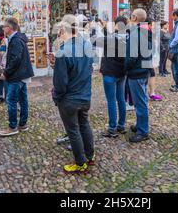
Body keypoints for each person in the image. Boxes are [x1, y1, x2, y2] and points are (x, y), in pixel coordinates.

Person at [52, 14, 95, 174]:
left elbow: (60, 82)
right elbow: (89, 69)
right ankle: (90, 156)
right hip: (85, 95)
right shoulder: (86, 45)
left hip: (70, 98)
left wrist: (57, 97)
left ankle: (80, 162)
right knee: (84, 124)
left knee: (73, 130)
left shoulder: (63, 51)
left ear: (64, 29)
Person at [0, 18, 34, 137]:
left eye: (4, 26)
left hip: (17, 75)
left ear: (10, 28)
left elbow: (15, 59)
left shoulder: (16, 40)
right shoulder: (16, 38)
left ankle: (13, 127)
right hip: (21, 74)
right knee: (23, 100)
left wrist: (6, 72)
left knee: (12, 100)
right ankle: (22, 124)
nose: (3, 28)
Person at [96, 16, 128, 138]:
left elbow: (96, 41)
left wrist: (92, 29)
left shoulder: (110, 39)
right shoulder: (127, 38)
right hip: (121, 72)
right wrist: (105, 28)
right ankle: (121, 125)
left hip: (110, 72)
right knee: (121, 99)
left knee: (111, 101)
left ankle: (112, 128)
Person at [125, 9, 152, 143]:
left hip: (137, 71)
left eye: (131, 16)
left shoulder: (136, 33)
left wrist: (126, 66)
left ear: (134, 18)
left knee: (140, 102)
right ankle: (140, 125)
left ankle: (143, 131)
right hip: (143, 69)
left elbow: (132, 56)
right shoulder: (146, 30)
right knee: (140, 100)